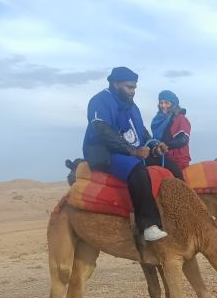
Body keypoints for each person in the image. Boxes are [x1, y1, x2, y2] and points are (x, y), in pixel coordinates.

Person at [82, 67, 181, 242]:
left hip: (134, 151)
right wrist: (132, 151)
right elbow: (103, 130)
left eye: (134, 88)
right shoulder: (99, 101)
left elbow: (140, 130)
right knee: (138, 172)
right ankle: (149, 226)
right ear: (115, 83)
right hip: (109, 153)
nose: (132, 91)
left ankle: (184, 209)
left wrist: (155, 145)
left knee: (171, 165)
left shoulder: (131, 106)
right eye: (129, 87)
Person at [151, 90, 192, 173]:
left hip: (178, 160)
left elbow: (183, 139)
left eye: (167, 103)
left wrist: (166, 146)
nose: (163, 105)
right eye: (161, 102)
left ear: (173, 104)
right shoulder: (158, 120)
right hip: (162, 157)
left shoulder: (180, 118)